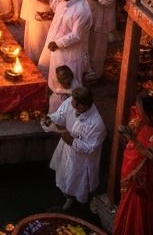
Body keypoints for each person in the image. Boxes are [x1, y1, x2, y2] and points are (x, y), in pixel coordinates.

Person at [44, 86, 107, 214]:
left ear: (86, 106)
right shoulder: (72, 102)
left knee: (79, 181)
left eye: (77, 105)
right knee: (65, 175)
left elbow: (90, 148)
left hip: (82, 159)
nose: (73, 106)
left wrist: (72, 141)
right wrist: (51, 118)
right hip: (67, 149)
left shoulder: (97, 124)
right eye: (73, 102)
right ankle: (68, 196)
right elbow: (60, 115)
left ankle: (81, 205)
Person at [113, 95, 153, 235]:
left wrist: (133, 139)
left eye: (140, 109)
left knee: (139, 209)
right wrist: (128, 134)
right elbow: (134, 143)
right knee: (127, 204)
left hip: (143, 179)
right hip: (132, 170)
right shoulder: (141, 124)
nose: (138, 112)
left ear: (149, 112)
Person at [40, 0, 93, 92]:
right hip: (54, 46)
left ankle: (69, 106)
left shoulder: (81, 9)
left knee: (67, 84)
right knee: (50, 74)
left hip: (69, 52)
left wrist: (58, 43)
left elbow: (76, 35)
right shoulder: (64, 0)